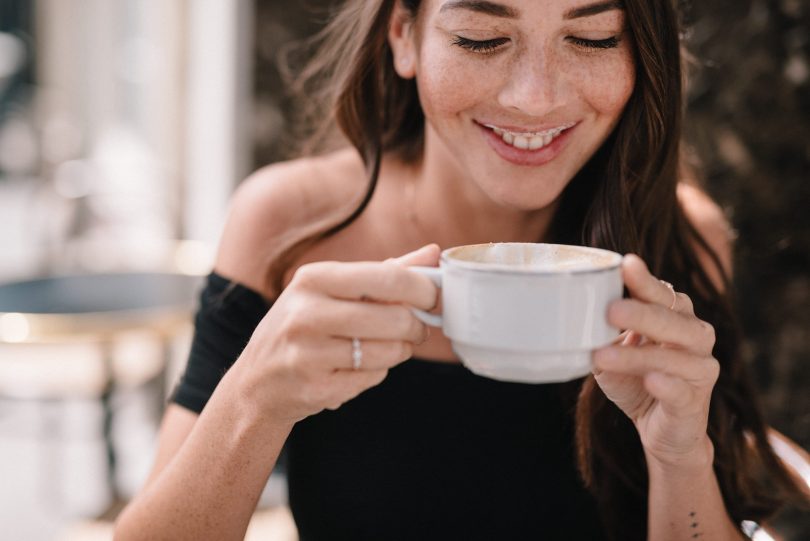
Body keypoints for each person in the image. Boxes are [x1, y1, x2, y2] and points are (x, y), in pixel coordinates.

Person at [114, 1, 808, 539]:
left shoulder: (682, 240)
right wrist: (254, 399)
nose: (535, 98)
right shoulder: (290, 227)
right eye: (482, 36)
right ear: (403, 37)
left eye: (593, 36)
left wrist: (681, 454)